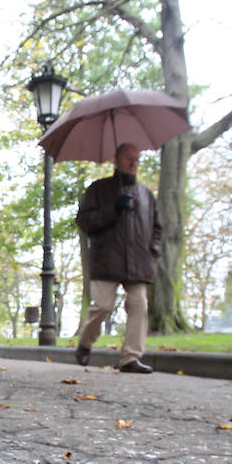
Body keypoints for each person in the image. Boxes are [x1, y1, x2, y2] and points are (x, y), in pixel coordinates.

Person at [73, 142, 161, 373]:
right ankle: (85, 343)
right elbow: (85, 222)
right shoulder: (98, 190)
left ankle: (130, 358)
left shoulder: (146, 195)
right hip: (107, 259)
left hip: (139, 262)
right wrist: (114, 209)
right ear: (116, 160)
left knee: (139, 305)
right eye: (128, 158)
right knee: (102, 306)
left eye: (136, 158)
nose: (133, 163)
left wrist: (153, 251)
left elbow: (157, 227)